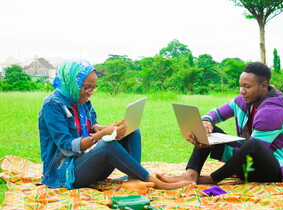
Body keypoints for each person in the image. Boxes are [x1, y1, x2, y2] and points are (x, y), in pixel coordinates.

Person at [38, 59, 192, 194]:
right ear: (72, 82)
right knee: (106, 145)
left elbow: (90, 126)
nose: (90, 92)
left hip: (87, 166)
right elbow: (66, 146)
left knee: (131, 131)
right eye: (86, 87)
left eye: (93, 87)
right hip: (65, 173)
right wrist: (102, 134)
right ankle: (155, 181)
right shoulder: (53, 105)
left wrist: (105, 128)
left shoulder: (81, 101)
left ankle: (133, 179)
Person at [157, 62, 283, 185]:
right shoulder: (243, 100)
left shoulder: (272, 112)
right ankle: (190, 175)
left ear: (263, 86)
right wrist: (206, 122)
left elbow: (254, 154)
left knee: (252, 145)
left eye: (247, 86)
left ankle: (212, 179)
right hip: (249, 165)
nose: (241, 91)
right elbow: (216, 113)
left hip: (277, 173)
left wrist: (214, 148)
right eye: (240, 86)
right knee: (209, 130)